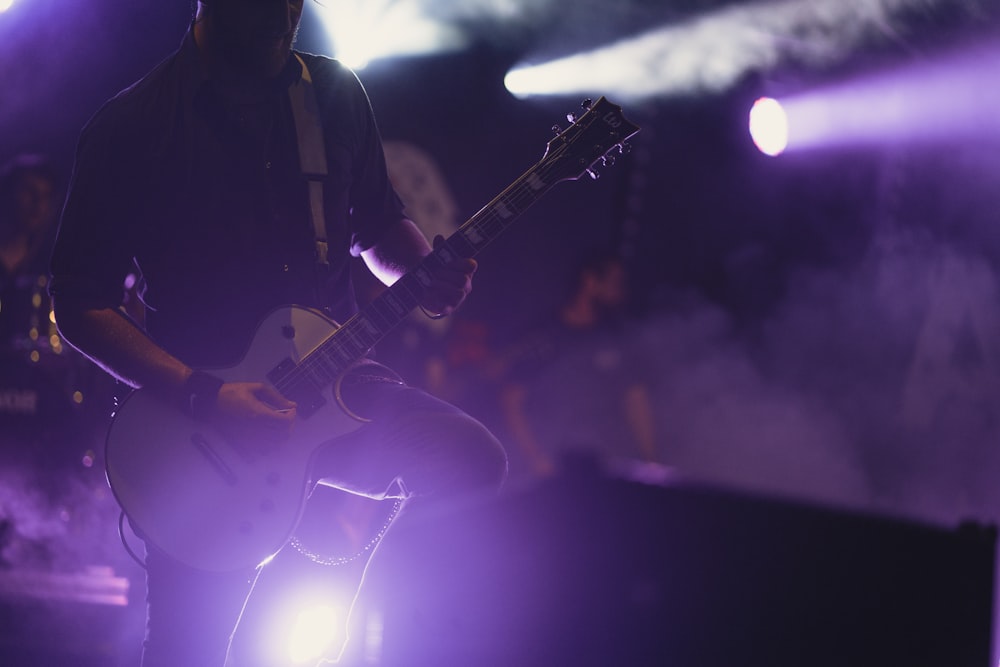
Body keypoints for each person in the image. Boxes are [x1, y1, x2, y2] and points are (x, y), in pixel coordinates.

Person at [48, 1, 507, 665]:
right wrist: (205, 395)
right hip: (206, 431)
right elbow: (79, 303)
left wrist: (422, 270)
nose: (285, 10)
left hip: (340, 388)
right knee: (188, 651)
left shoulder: (335, 95)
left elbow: (375, 226)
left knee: (470, 463)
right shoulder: (134, 124)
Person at [497, 250, 659, 478]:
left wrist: (650, 459)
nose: (620, 292)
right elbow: (511, 401)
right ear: (590, 281)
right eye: (613, 283)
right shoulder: (545, 336)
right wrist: (535, 460)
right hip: (552, 465)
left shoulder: (614, 336)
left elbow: (635, 397)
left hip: (604, 464)